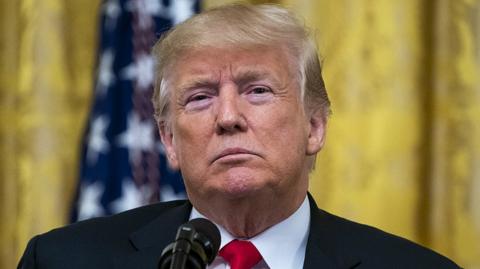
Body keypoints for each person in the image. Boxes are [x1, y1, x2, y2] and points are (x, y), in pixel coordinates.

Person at [18, 4, 461, 269]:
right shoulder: (63, 261)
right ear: (169, 141)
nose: (228, 117)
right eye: (200, 97)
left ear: (315, 126)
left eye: (258, 90)